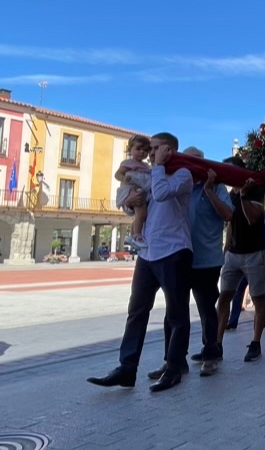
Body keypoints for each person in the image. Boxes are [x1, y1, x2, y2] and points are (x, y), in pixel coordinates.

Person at [88, 132, 194, 393]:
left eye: (156, 148)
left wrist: (157, 167)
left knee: (177, 313)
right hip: (148, 253)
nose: (150, 153)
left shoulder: (182, 175)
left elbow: (159, 194)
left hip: (174, 250)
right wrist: (129, 202)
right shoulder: (150, 174)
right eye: (150, 149)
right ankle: (127, 368)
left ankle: (174, 367)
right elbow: (135, 204)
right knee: (136, 310)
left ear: (169, 150)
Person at [163, 146, 233, 378]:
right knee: (175, 311)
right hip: (180, 257)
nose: (193, 166)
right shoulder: (180, 185)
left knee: (206, 310)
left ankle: (211, 353)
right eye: (188, 161)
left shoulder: (217, 187)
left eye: (198, 162)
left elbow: (229, 215)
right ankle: (174, 360)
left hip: (207, 260)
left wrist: (210, 190)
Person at [216, 156, 265, 364]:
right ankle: (217, 344)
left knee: (258, 299)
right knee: (223, 298)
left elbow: (252, 218)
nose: (225, 175)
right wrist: (226, 248)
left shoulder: (255, 190)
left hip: (254, 252)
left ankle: (255, 343)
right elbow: (229, 221)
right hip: (233, 254)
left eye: (228, 171)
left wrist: (244, 197)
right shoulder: (229, 193)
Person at [227, 210, 265, 330]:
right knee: (239, 289)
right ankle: (233, 320)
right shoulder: (241, 214)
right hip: (244, 255)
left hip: (259, 256)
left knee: (263, 291)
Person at [115, 135, 152, 250]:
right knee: (141, 214)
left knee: (140, 215)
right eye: (138, 149)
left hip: (140, 189)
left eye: (145, 150)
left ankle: (133, 235)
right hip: (131, 189)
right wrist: (125, 178)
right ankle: (137, 236)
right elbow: (117, 175)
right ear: (130, 150)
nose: (142, 152)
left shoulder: (146, 166)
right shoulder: (128, 163)